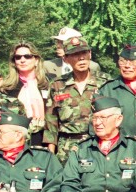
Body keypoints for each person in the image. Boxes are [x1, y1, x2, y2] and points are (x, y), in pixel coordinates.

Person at [44, 36, 108, 164]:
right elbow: (51, 123)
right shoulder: (57, 85)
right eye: (75, 54)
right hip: (66, 149)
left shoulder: (105, 82)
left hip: (96, 145)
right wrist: (50, 156)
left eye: (84, 53)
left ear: (90, 54)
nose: (81, 58)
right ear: (66, 59)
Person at [97, 44, 136, 141]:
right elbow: (97, 122)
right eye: (123, 62)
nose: (127, 66)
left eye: (133, 62)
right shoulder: (107, 90)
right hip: (119, 149)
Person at [1, 41, 50, 146]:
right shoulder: (6, 89)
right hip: (16, 141)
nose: (22, 60)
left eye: (27, 56)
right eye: (18, 57)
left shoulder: (49, 84)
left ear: (36, 60)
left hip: (44, 138)